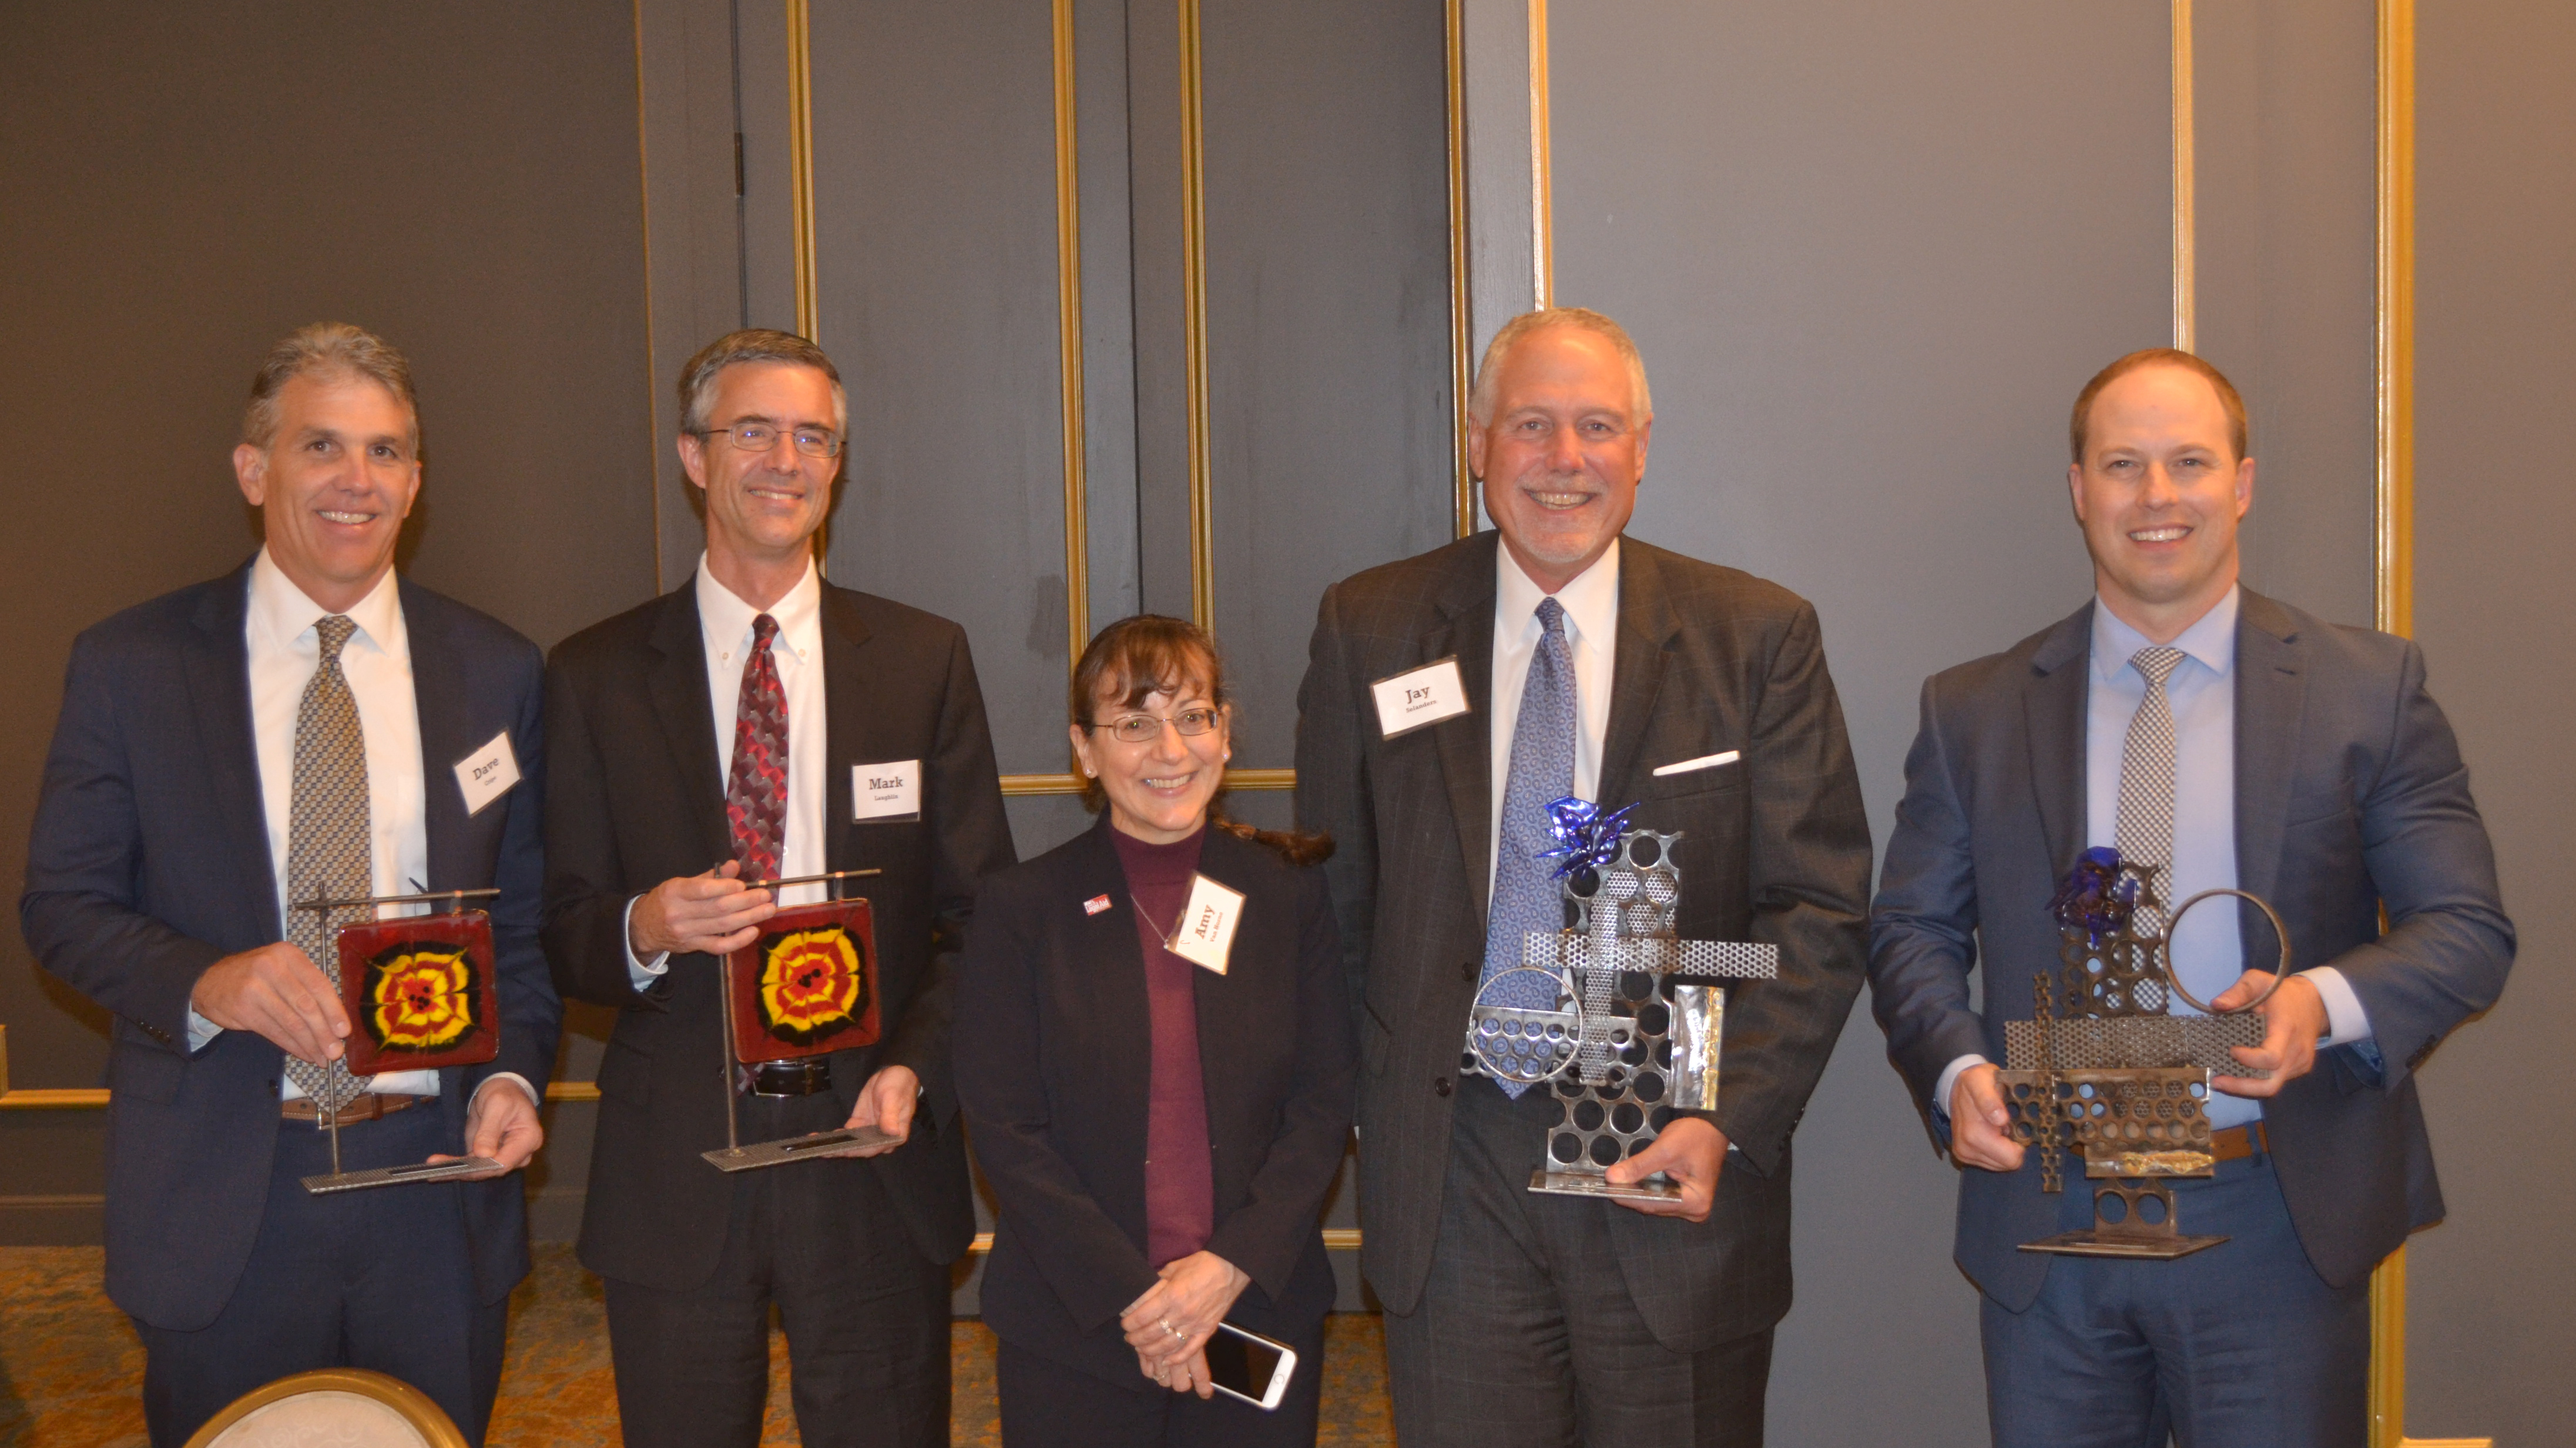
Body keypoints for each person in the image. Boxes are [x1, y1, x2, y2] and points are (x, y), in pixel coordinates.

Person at [1867, 348, 2514, 1447]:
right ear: (2080, 491)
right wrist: (1958, 1068)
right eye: (2123, 465)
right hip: (2051, 1220)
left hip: (2272, 1218)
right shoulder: (1973, 709)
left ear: (2242, 483)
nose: (2157, 497)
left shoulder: (2369, 691)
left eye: (2189, 463)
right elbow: (1909, 928)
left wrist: (2317, 1003)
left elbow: (2467, 928)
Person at [1293, 307, 1873, 1446]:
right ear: (1476, 442)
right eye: (1531, 425)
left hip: (1668, 1168)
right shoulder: (1370, 626)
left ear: (1642, 445)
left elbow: (1816, 908)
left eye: (1595, 426)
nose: (1563, 460)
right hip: (1454, 1171)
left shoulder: (1754, 637)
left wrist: (1727, 1112)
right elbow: (1331, 899)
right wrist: (1377, 1102)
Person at [18, 324, 557, 1446]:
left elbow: (521, 931)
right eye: (323, 446)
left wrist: (512, 1073)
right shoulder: (134, 665)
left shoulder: (496, 670)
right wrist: (208, 979)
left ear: (416, 481)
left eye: (388, 451)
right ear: (255, 469)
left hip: (436, 1181)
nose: (357, 481)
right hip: (230, 1187)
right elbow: (62, 906)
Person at [541, 327, 1014, 1448]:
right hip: (678, 1169)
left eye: (812, 436)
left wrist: (913, 1066)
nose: (784, 460)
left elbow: (977, 918)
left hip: (868, 1153)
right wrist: (645, 926)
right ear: (695, 458)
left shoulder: (920, 659)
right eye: (752, 430)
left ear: (837, 466)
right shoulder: (594, 674)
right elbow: (556, 927)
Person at [955, 615, 1355, 1446]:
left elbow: (1323, 1104)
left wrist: (1221, 1272)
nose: (1170, 750)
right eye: (1133, 724)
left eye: (1194, 716)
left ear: (1226, 733)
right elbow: (1005, 1126)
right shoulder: (1020, 910)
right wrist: (1143, 1303)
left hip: (1253, 1309)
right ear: (1084, 750)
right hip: (1080, 1325)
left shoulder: (1287, 897)